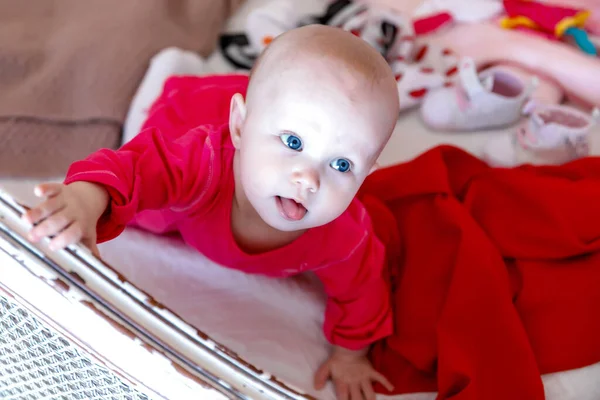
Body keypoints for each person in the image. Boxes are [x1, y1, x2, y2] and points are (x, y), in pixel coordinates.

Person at [22, 24, 401, 400]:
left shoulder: (344, 236)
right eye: (294, 141)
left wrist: (351, 357)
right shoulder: (200, 162)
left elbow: (363, 294)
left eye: (341, 165)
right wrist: (86, 200)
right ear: (240, 127)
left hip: (244, 124)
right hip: (194, 117)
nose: (309, 179)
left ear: (366, 175)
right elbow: (134, 169)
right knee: (144, 193)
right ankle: (174, 70)